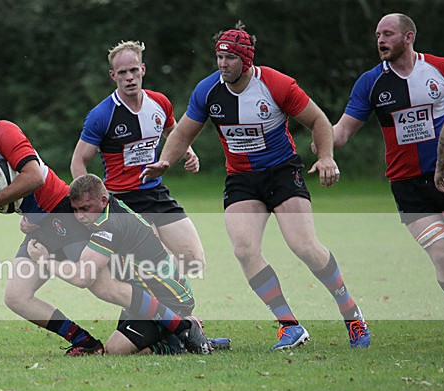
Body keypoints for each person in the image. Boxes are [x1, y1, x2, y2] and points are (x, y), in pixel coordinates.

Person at [142, 22, 371, 350]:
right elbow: (182, 133)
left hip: (282, 173)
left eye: (230, 58)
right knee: (244, 250)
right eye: (219, 57)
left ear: (246, 61)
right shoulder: (208, 91)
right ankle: (289, 325)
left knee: (304, 246)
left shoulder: (276, 85)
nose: (223, 64)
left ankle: (351, 313)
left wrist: (326, 157)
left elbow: (318, 121)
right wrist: (166, 161)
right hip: (241, 179)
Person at [0, 92, 105, 355]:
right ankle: (84, 342)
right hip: (39, 225)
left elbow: (34, 176)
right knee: (16, 296)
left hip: (62, 213)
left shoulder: (3, 132)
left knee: (101, 282)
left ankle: (166, 323)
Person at [332, 13, 444, 309]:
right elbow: (342, 131)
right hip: (408, 185)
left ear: (408, 36)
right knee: (441, 255)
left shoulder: (443, 69)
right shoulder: (371, 83)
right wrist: (322, 140)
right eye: (378, 35)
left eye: (388, 34)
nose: (381, 40)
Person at [27, 174, 219, 355]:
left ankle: (182, 336)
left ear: (103, 200)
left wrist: (44, 260)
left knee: (115, 349)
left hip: (167, 302)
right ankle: (194, 339)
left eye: (85, 209)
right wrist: (33, 219)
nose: (79, 216)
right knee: (130, 344)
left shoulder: (110, 227)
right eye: (75, 209)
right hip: (145, 298)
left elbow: (82, 277)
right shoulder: (111, 209)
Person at [70, 40, 205, 276]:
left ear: (143, 69)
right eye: (122, 73)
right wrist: (91, 204)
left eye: (134, 70)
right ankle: (166, 310)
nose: (129, 77)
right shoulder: (102, 115)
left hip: (155, 194)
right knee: (153, 267)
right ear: (113, 76)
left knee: (194, 261)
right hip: (123, 201)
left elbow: (173, 133)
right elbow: (78, 162)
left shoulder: (160, 103)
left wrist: (188, 152)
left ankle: (166, 305)